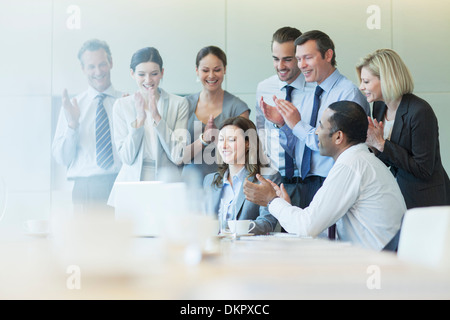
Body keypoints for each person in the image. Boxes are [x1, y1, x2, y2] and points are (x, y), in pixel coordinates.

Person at [243, 101, 406, 251]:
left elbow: (307, 227)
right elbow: (319, 226)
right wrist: (285, 206)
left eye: (321, 126)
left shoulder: (350, 165)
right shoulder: (360, 160)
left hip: (375, 269)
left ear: (338, 137)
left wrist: (272, 200)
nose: (316, 132)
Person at [260, 30, 370, 214]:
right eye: (298, 58)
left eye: (308, 58)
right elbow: (301, 145)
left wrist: (297, 125)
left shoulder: (348, 94)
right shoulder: (312, 94)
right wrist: (284, 125)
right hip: (307, 183)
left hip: (332, 181)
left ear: (328, 55)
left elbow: (337, 144)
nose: (301, 65)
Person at [357, 48, 450, 209]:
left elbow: (423, 169)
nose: (361, 87)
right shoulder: (379, 106)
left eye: (366, 81)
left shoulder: (420, 112)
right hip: (396, 195)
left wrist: (381, 144)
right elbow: (391, 158)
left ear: (386, 80)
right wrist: (375, 147)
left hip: (425, 201)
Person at [108, 47, 189, 205]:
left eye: (154, 73)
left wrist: (157, 117)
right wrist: (139, 120)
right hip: (131, 185)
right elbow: (127, 157)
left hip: (167, 185)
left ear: (162, 73)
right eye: (141, 74)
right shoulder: (121, 106)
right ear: (132, 74)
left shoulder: (179, 104)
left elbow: (178, 156)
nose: (148, 80)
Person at [52, 39, 123, 214]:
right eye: (91, 67)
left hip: (120, 185)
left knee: (123, 240)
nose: (98, 71)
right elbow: (62, 158)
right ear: (83, 69)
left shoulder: (126, 102)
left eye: (102, 64)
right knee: (86, 241)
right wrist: (72, 125)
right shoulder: (72, 106)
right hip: (86, 189)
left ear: (111, 63)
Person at [255, 26, 315, 209]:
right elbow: (261, 132)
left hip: (309, 182)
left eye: (287, 60)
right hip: (274, 181)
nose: (280, 66)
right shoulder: (264, 88)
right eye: (276, 59)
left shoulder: (315, 89)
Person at [203, 116, 280, 235]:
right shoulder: (210, 180)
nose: (223, 146)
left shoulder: (267, 178)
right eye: (221, 139)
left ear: (248, 143)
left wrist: (231, 228)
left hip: (246, 249)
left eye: (231, 140)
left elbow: (267, 223)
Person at [183, 46, 250, 178]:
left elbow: (243, 154)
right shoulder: (184, 105)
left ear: (225, 69)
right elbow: (177, 156)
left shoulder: (238, 108)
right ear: (197, 71)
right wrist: (204, 140)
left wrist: (218, 138)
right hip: (189, 184)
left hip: (223, 183)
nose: (211, 75)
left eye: (217, 70)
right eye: (205, 70)